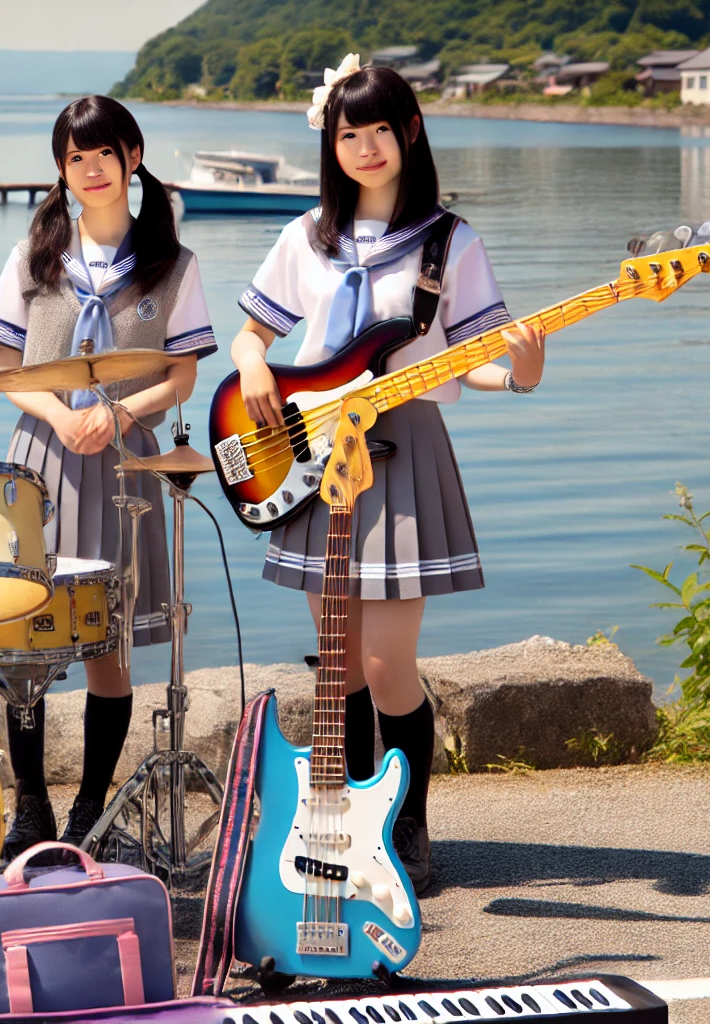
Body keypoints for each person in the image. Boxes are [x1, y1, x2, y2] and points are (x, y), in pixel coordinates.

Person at [231, 59, 546, 894]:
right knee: (337, 660)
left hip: (404, 446)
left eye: (379, 130)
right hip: (314, 446)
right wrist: (255, 366)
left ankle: (406, 823)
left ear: (409, 132)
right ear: (330, 145)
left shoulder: (452, 241)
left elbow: (467, 362)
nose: (365, 148)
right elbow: (252, 334)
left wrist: (519, 372)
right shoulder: (307, 236)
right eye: (347, 134)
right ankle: (341, 826)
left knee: (386, 663)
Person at [0, 96, 216, 859]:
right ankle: (30, 809)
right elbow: (4, 371)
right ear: (62, 169)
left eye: (104, 154)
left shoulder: (173, 263)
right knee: (25, 643)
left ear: (132, 158)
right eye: (76, 157)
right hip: (40, 461)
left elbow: (180, 378)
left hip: (125, 462)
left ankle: (89, 808)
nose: (91, 169)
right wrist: (60, 417)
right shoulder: (34, 257)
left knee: (107, 645)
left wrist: (112, 416)